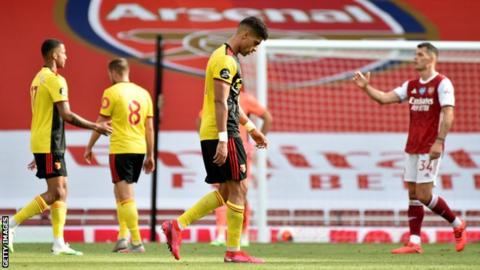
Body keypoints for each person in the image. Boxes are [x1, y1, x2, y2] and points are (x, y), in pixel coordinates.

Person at [162, 16, 269, 263]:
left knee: (226, 190)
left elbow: (232, 102)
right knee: (239, 188)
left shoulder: (228, 58)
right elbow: (220, 101)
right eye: (254, 43)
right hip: (224, 133)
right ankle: (233, 251)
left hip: (223, 131)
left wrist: (252, 128)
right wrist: (223, 139)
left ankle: (177, 226)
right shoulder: (224, 60)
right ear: (244, 35)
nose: (254, 49)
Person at [352, 42, 467, 254]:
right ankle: (414, 241)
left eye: (420, 54)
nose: (415, 58)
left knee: (424, 194)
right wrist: (367, 87)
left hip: (429, 145)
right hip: (412, 146)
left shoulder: (443, 83)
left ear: (431, 58)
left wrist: (439, 141)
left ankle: (457, 224)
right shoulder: (411, 85)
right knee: (413, 193)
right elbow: (384, 99)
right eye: (415, 54)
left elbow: (448, 113)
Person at [8, 38, 112, 255]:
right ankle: (9, 225)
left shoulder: (37, 78)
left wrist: (39, 150)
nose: (66, 56)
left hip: (46, 141)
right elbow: (66, 115)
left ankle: (58, 243)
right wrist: (96, 126)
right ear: (54, 56)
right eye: (63, 52)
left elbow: (44, 115)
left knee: (63, 191)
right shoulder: (55, 80)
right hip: (48, 142)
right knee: (56, 192)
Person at [84, 58, 155, 253]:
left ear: (114, 73)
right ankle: (123, 237)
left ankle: (137, 241)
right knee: (120, 193)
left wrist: (89, 146)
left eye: (109, 75)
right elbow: (149, 128)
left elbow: (101, 122)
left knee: (126, 197)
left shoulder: (111, 92)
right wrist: (150, 155)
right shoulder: (144, 93)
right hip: (139, 149)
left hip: (121, 149)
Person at [206, 90, 272, 247]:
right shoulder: (215, 96)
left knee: (240, 190)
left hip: (239, 149)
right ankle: (221, 234)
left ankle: (244, 233)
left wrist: (256, 140)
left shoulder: (245, 98)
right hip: (221, 147)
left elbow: (267, 117)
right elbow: (201, 119)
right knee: (222, 189)